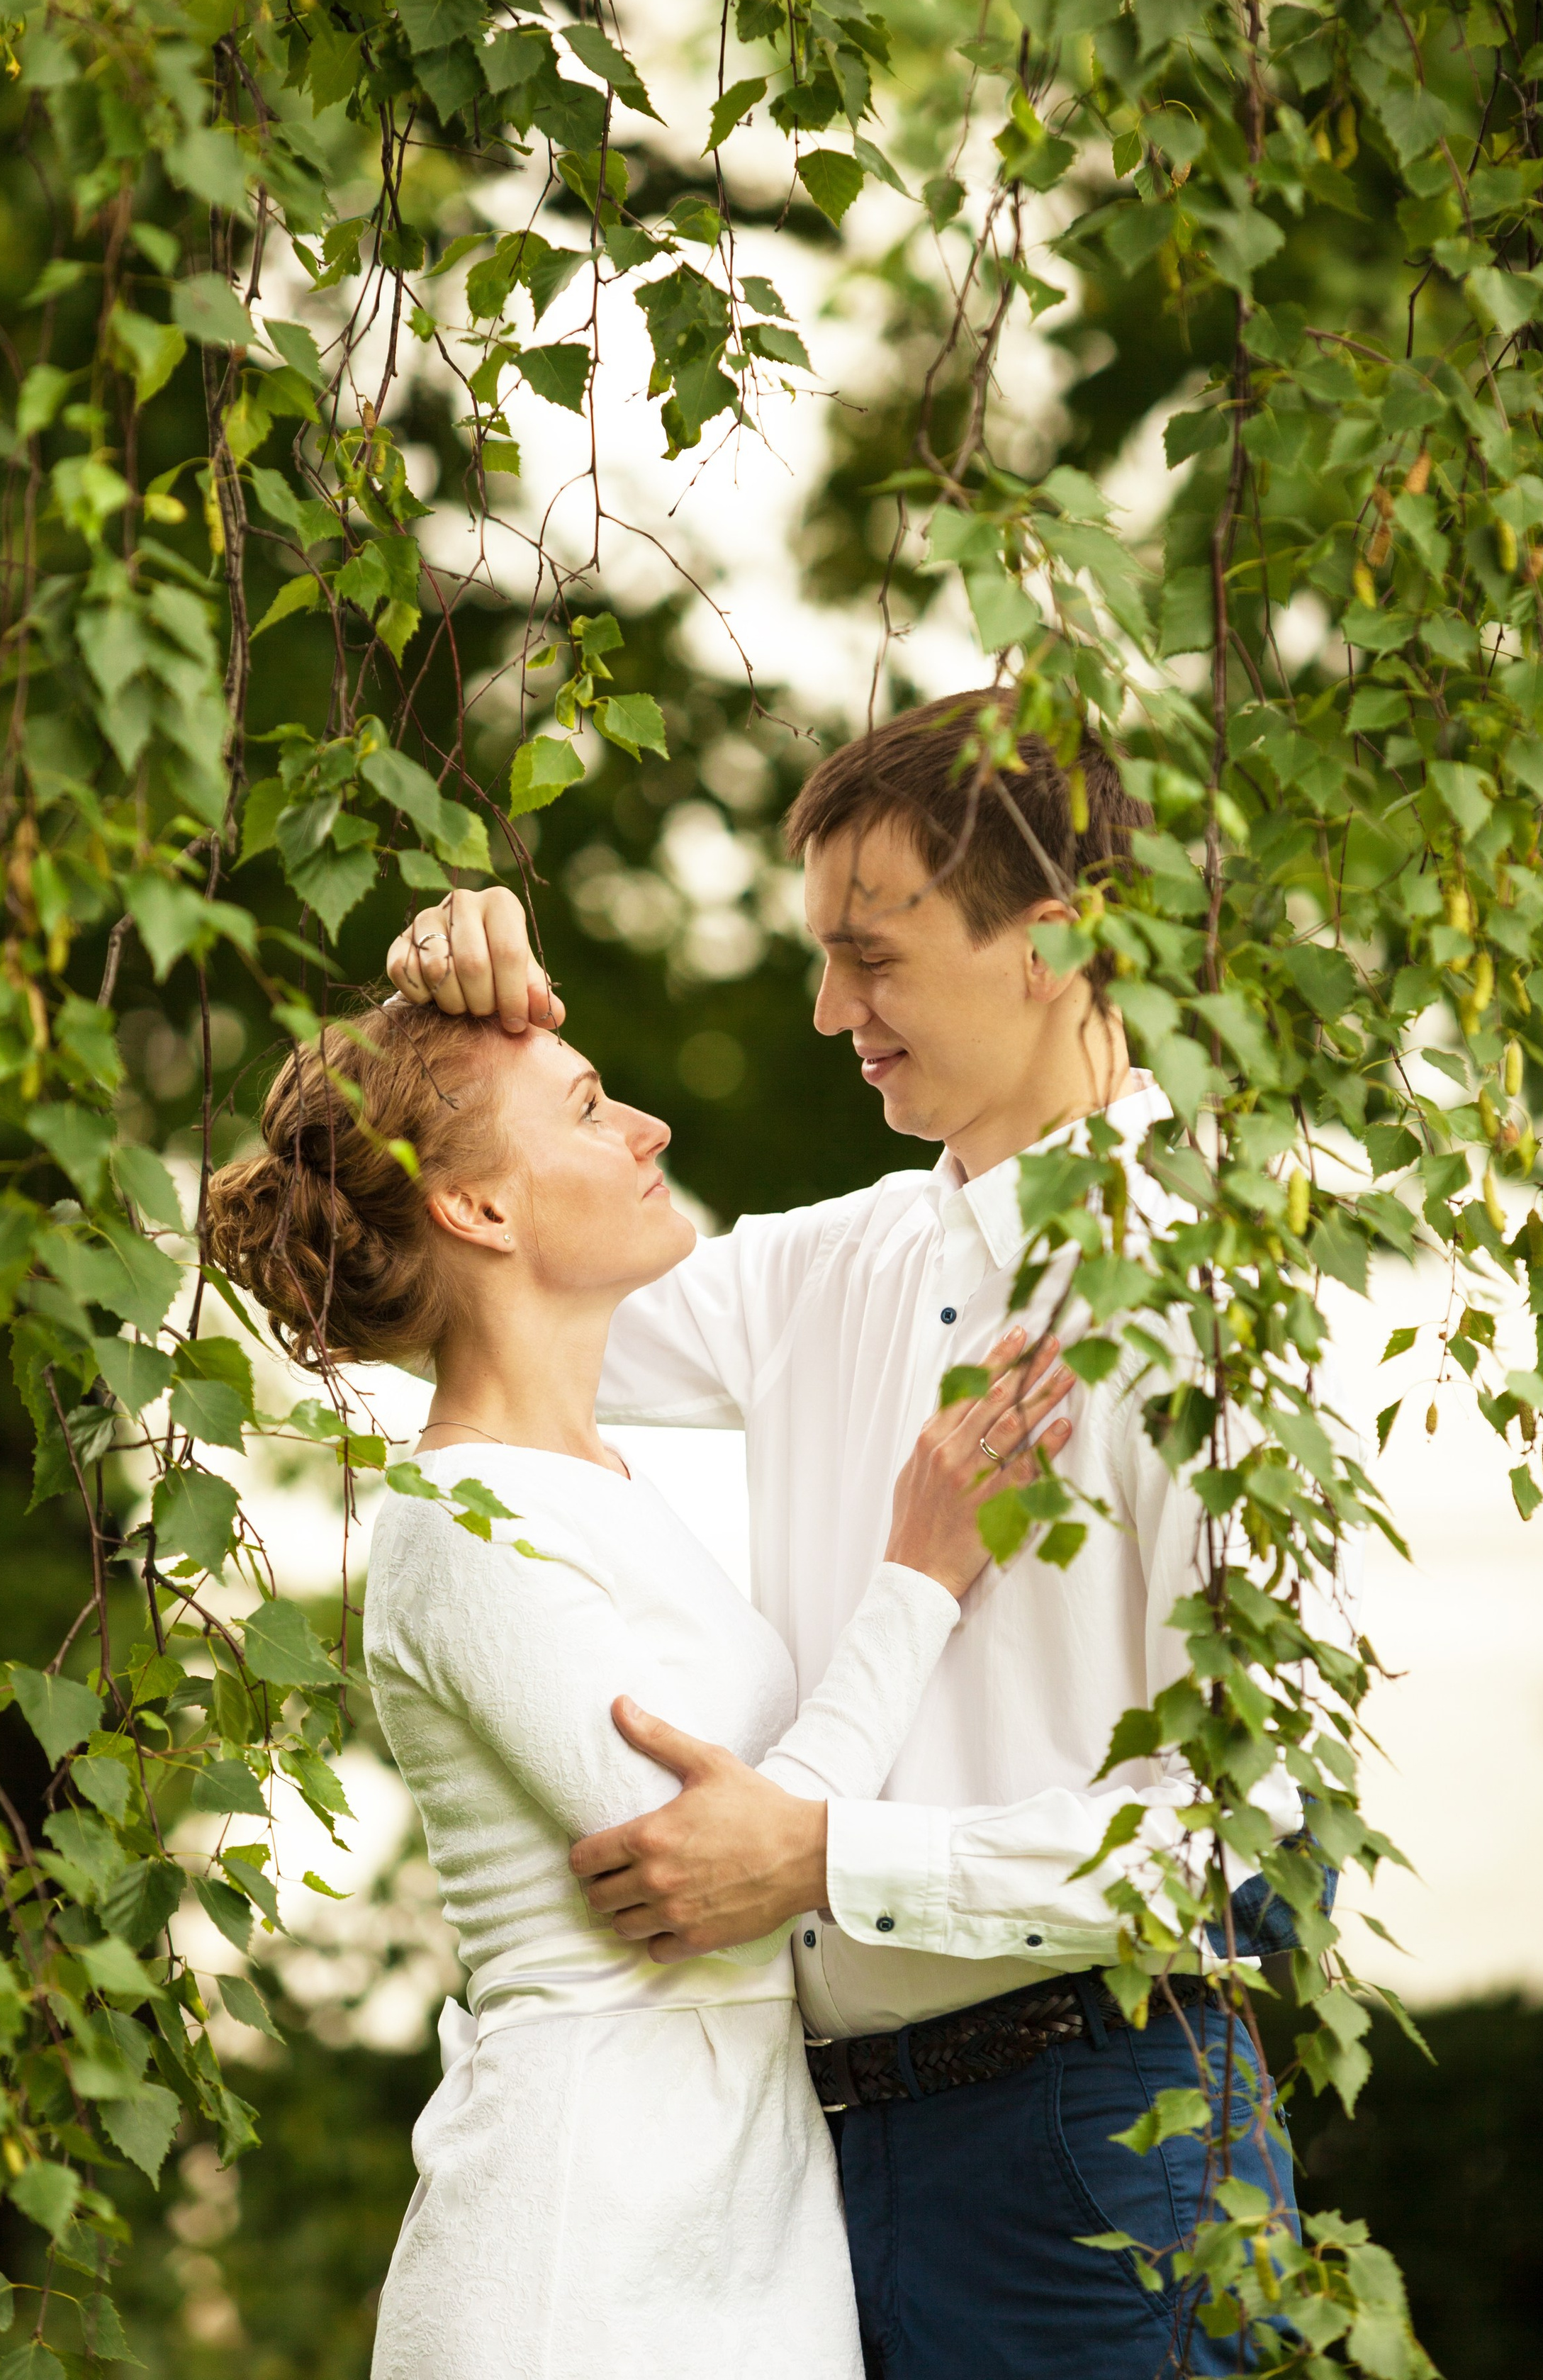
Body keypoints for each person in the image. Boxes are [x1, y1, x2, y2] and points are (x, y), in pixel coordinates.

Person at [385, 687, 1308, 2380]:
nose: (828, 1012)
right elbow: (426, 1281)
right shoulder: (814, 1273)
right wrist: (443, 1005)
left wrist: (826, 1865)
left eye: (869, 958)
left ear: (1055, 937)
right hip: (796, 2196)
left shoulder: (1211, 1310)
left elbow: (1233, 1831)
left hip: (1101, 2151)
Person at [207, 988, 1077, 2380]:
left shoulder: (598, 1484)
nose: (645, 1126)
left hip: (747, 2226)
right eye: (588, 1105)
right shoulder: (458, 1524)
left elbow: (759, 1840)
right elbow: (704, 1879)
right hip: (574, 2259)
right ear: (478, 1211)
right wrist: (916, 1579)